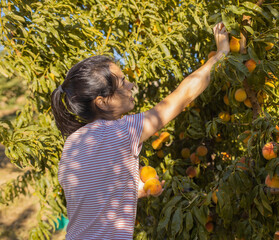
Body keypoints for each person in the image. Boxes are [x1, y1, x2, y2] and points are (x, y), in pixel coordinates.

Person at [51, 22, 230, 239]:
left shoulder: (72, 144)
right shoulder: (120, 132)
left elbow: (90, 201)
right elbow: (184, 96)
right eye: (123, 82)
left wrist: (133, 191)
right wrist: (221, 53)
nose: (131, 85)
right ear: (102, 102)